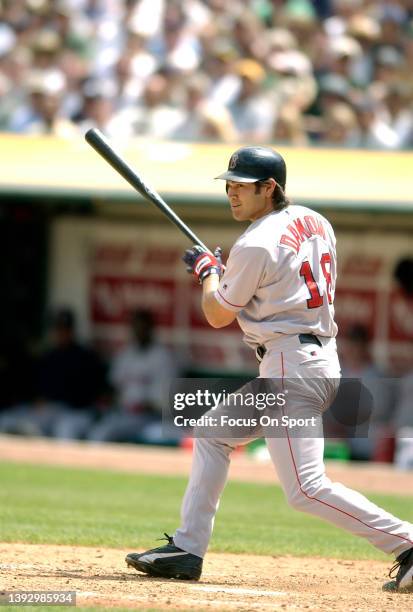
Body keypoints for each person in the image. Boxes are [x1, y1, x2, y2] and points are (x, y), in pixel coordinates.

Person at [125, 147, 413, 592]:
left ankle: (408, 542)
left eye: (243, 187)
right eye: (230, 185)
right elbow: (278, 283)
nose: (232, 194)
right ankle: (187, 548)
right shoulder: (316, 221)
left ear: (270, 187)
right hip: (310, 359)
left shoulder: (255, 242)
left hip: (289, 367)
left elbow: (218, 314)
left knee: (306, 488)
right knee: (212, 433)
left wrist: (208, 273)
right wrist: (226, 272)